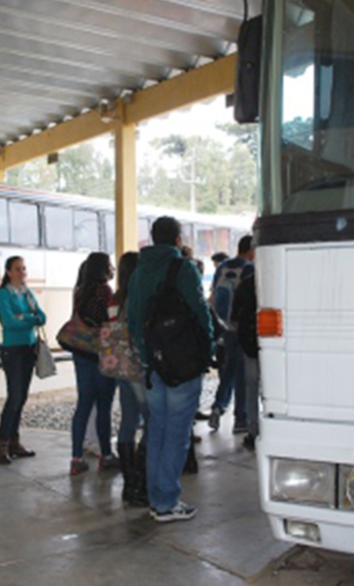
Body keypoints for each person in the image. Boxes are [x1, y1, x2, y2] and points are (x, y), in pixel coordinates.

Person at [128, 216, 213, 523]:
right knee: (177, 435)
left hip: (153, 365)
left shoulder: (139, 271)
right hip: (182, 365)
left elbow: (133, 319)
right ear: (177, 239)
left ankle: (156, 498)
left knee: (157, 431)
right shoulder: (184, 268)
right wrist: (208, 350)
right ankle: (166, 502)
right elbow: (201, 313)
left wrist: (148, 356)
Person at [69, 252, 119, 475]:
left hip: (81, 353)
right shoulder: (105, 291)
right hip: (100, 353)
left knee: (83, 405)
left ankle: (76, 458)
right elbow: (109, 323)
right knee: (103, 407)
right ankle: (106, 455)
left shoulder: (80, 291)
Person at [0, 256, 47, 465]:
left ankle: (14, 441)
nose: (22, 272)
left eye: (24, 268)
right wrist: (29, 318)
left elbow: (42, 317)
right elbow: (8, 321)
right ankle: (3, 444)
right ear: (9, 272)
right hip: (13, 350)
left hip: (29, 348)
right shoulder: (3, 294)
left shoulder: (27, 293)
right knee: (14, 396)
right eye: (18, 269)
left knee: (22, 396)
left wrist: (23, 317)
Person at [111, 251, 149, 506]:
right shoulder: (139, 295)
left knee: (127, 420)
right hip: (139, 363)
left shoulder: (115, 298)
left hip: (120, 364)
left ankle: (129, 483)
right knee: (151, 419)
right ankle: (141, 481)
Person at [208, 235, 255, 435]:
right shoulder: (249, 269)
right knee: (243, 374)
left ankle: (218, 406)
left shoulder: (223, 266)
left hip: (224, 327)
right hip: (242, 327)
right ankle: (241, 418)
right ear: (252, 251)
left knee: (228, 369)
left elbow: (212, 296)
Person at [232, 266, 259, 451]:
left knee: (252, 386)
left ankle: (253, 430)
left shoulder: (245, 284)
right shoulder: (281, 280)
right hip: (276, 346)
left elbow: (234, 319)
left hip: (249, 345)